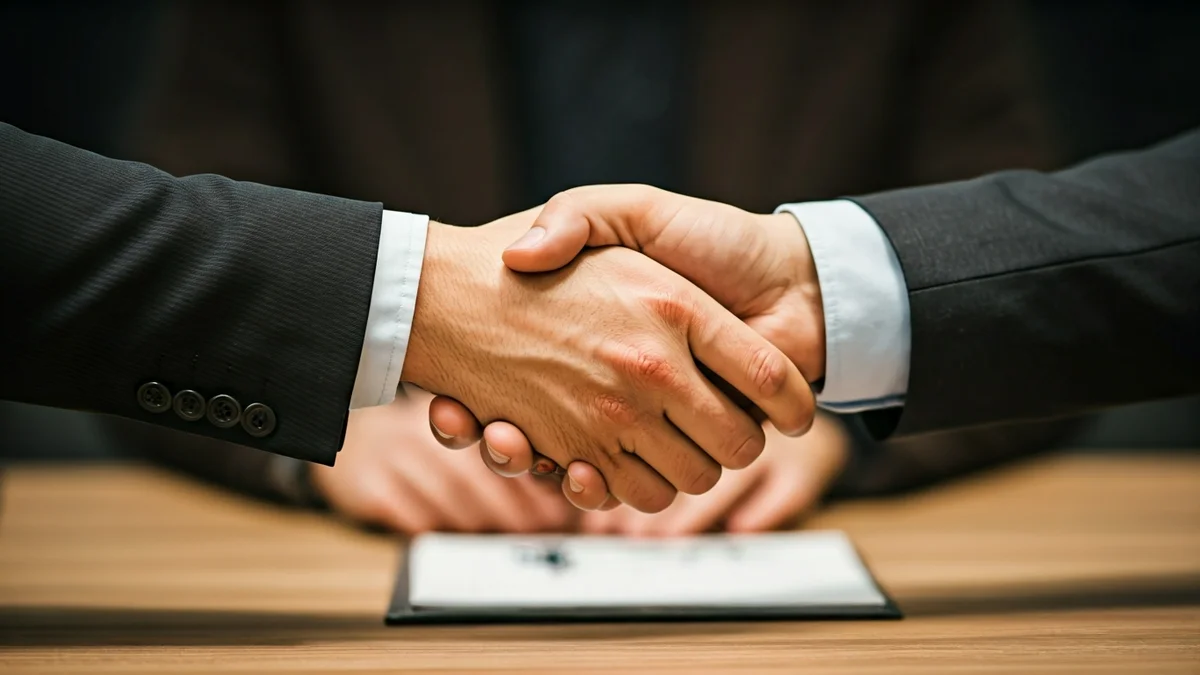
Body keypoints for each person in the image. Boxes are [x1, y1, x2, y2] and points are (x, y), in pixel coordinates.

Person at [112, 0, 1069, 528]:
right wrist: (325, 428)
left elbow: (1041, 266)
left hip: (775, 531)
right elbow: (141, 267)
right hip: (397, 537)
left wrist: (836, 427)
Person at [0, 121, 816, 516]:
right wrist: (406, 325)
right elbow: (104, 250)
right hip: (360, 534)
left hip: (784, 510)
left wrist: (823, 408)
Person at [429, 127, 1200, 506]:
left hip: (836, 502)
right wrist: (370, 389)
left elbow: (1063, 262)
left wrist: (826, 416)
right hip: (411, 495)